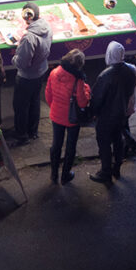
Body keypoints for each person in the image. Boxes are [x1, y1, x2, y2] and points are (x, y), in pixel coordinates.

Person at [88, 41, 136, 184]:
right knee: (118, 141)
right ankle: (116, 168)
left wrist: (92, 112)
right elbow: (131, 91)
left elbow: (97, 98)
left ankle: (106, 172)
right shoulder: (130, 70)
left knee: (104, 144)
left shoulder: (106, 75)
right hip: (121, 113)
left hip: (106, 116)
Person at [45, 48, 91, 184]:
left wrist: (54, 107)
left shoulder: (54, 72)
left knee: (56, 144)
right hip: (72, 119)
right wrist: (87, 90)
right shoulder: (78, 80)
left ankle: (54, 174)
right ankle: (65, 175)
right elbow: (82, 102)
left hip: (56, 115)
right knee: (71, 146)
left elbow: (48, 94)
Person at [11, 2, 52, 146]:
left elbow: (22, 62)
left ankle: (22, 136)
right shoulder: (47, 27)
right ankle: (33, 131)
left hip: (26, 76)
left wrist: (14, 57)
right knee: (34, 102)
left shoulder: (29, 38)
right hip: (40, 71)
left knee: (21, 106)